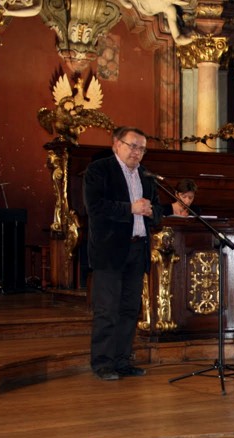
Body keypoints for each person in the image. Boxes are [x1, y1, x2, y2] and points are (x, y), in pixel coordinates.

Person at [83, 127, 162, 380]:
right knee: (107, 309)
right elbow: (95, 207)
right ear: (116, 144)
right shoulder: (99, 170)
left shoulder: (146, 176)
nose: (137, 152)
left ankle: (122, 360)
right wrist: (130, 208)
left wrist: (152, 211)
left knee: (130, 309)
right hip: (110, 250)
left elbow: (158, 210)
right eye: (132, 146)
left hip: (138, 249)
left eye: (142, 149)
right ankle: (103, 363)